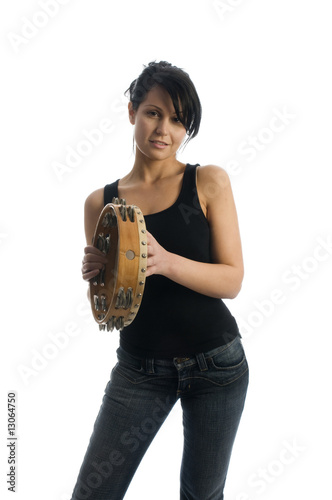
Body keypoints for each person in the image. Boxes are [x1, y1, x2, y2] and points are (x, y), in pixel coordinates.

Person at [71, 60, 249, 500]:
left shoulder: (208, 182)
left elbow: (232, 280)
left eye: (177, 119)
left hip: (217, 364)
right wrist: (97, 277)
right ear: (132, 111)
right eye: (153, 112)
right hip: (139, 368)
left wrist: (167, 262)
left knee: (202, 497)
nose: (163, 129)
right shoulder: (102, 203)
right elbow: (118, 301)